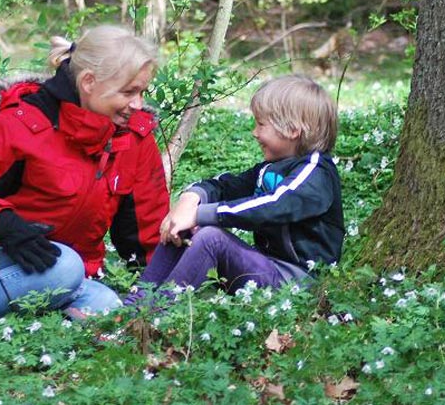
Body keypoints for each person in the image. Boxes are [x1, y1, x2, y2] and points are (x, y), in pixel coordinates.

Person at [0, 25, 170, 322]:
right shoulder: (20, 123)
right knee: (67, 267)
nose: (138, 104)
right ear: (89, 82)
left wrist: (159, 296)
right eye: (128, 92)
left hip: (61, 274)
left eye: (141, 92)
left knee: (107, 307)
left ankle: (22, 329)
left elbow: (147, 237)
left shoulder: (135, 140)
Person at [126, 75, 344, 304]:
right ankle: (135, 305)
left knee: (211, 237)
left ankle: (157, 311)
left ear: (292, 130)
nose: (254, 132)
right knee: (186, 226)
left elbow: (275, 205)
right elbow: (226, 186)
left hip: (298, 284)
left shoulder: (316, 172)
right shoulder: (272, 167)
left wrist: (201, 214)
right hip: (265, 267)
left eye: (261, 124)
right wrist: (191, 199)